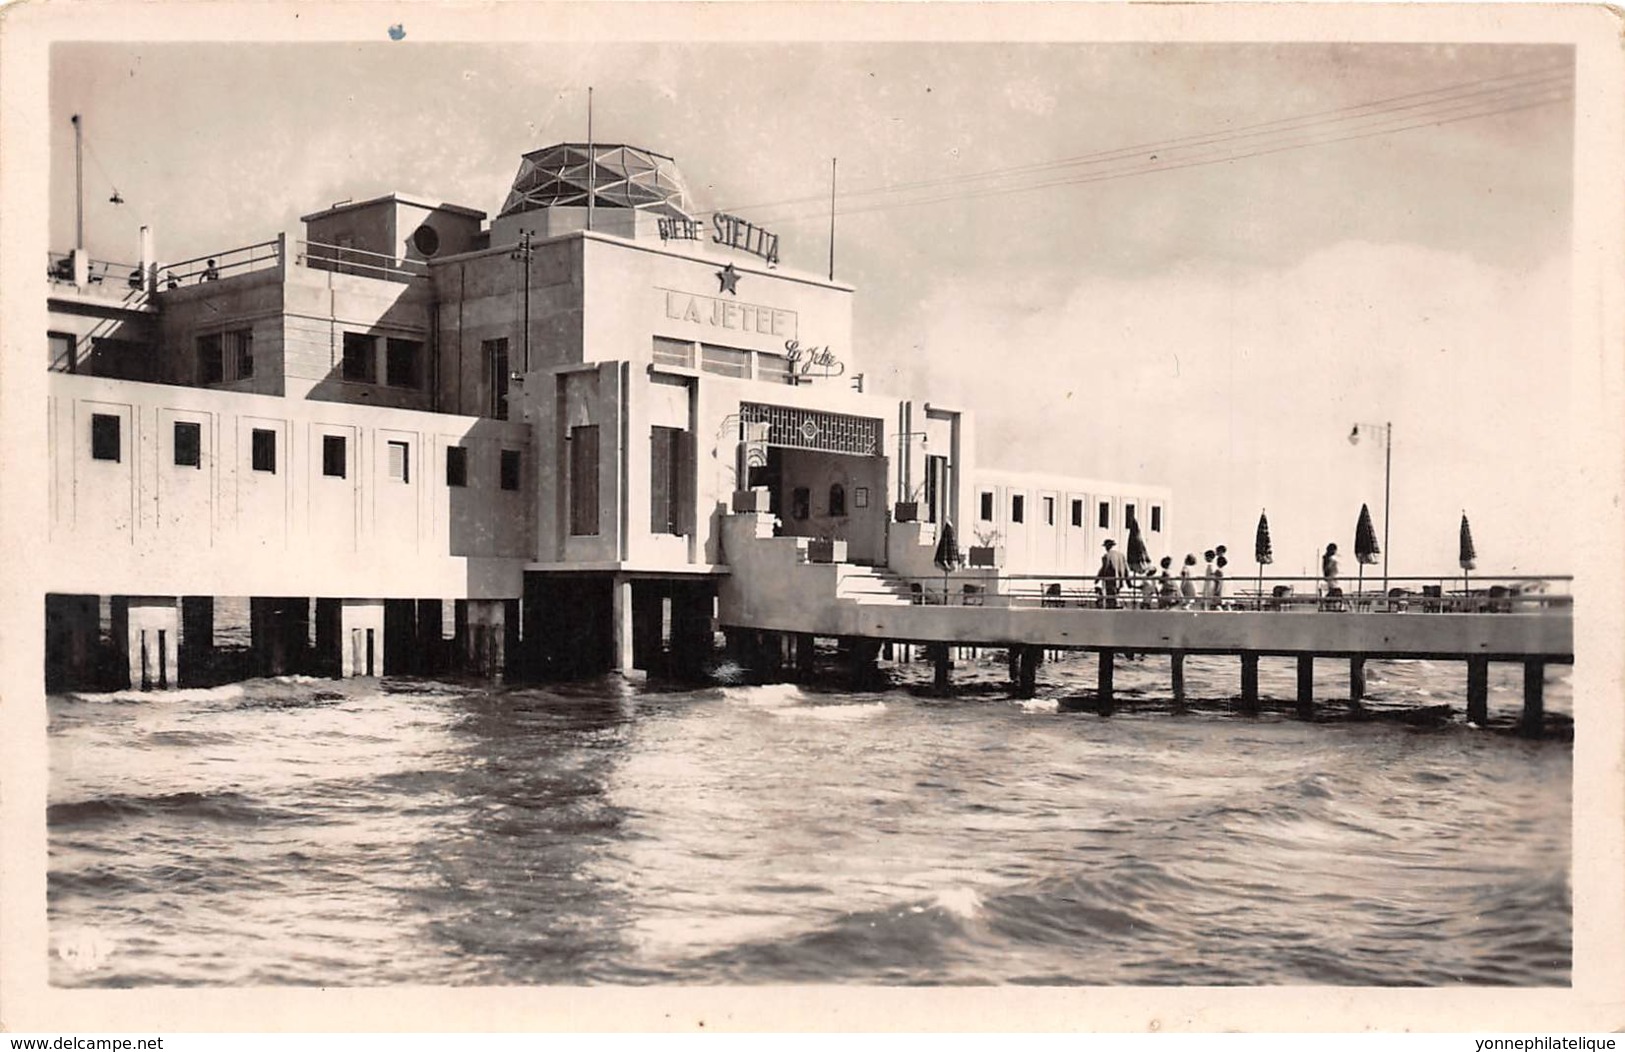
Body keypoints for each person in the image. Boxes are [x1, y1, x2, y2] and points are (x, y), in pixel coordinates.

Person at [1098, 538, 1129, 609]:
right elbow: (1126, 568)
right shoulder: (1121, 555)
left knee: (1110, 596)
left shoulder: (1106, 556)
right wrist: (1128, 581)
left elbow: (1104, 568)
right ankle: (1116, 605)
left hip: (1110, 579)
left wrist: (1098, 578)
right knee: (1115, 594)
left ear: (1107, 547)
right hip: (1120, 579)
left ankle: (1113, 607)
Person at [1322, 543, 1343, 610]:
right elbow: (1329, 568)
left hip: (1331, 579)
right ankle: (1336, 607)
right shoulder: (1332, 559)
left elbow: (1326, 570)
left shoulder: (1327, 559)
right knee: (1337, 592)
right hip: (1334, 579)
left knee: (1335, 592)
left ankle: (1332, 606)